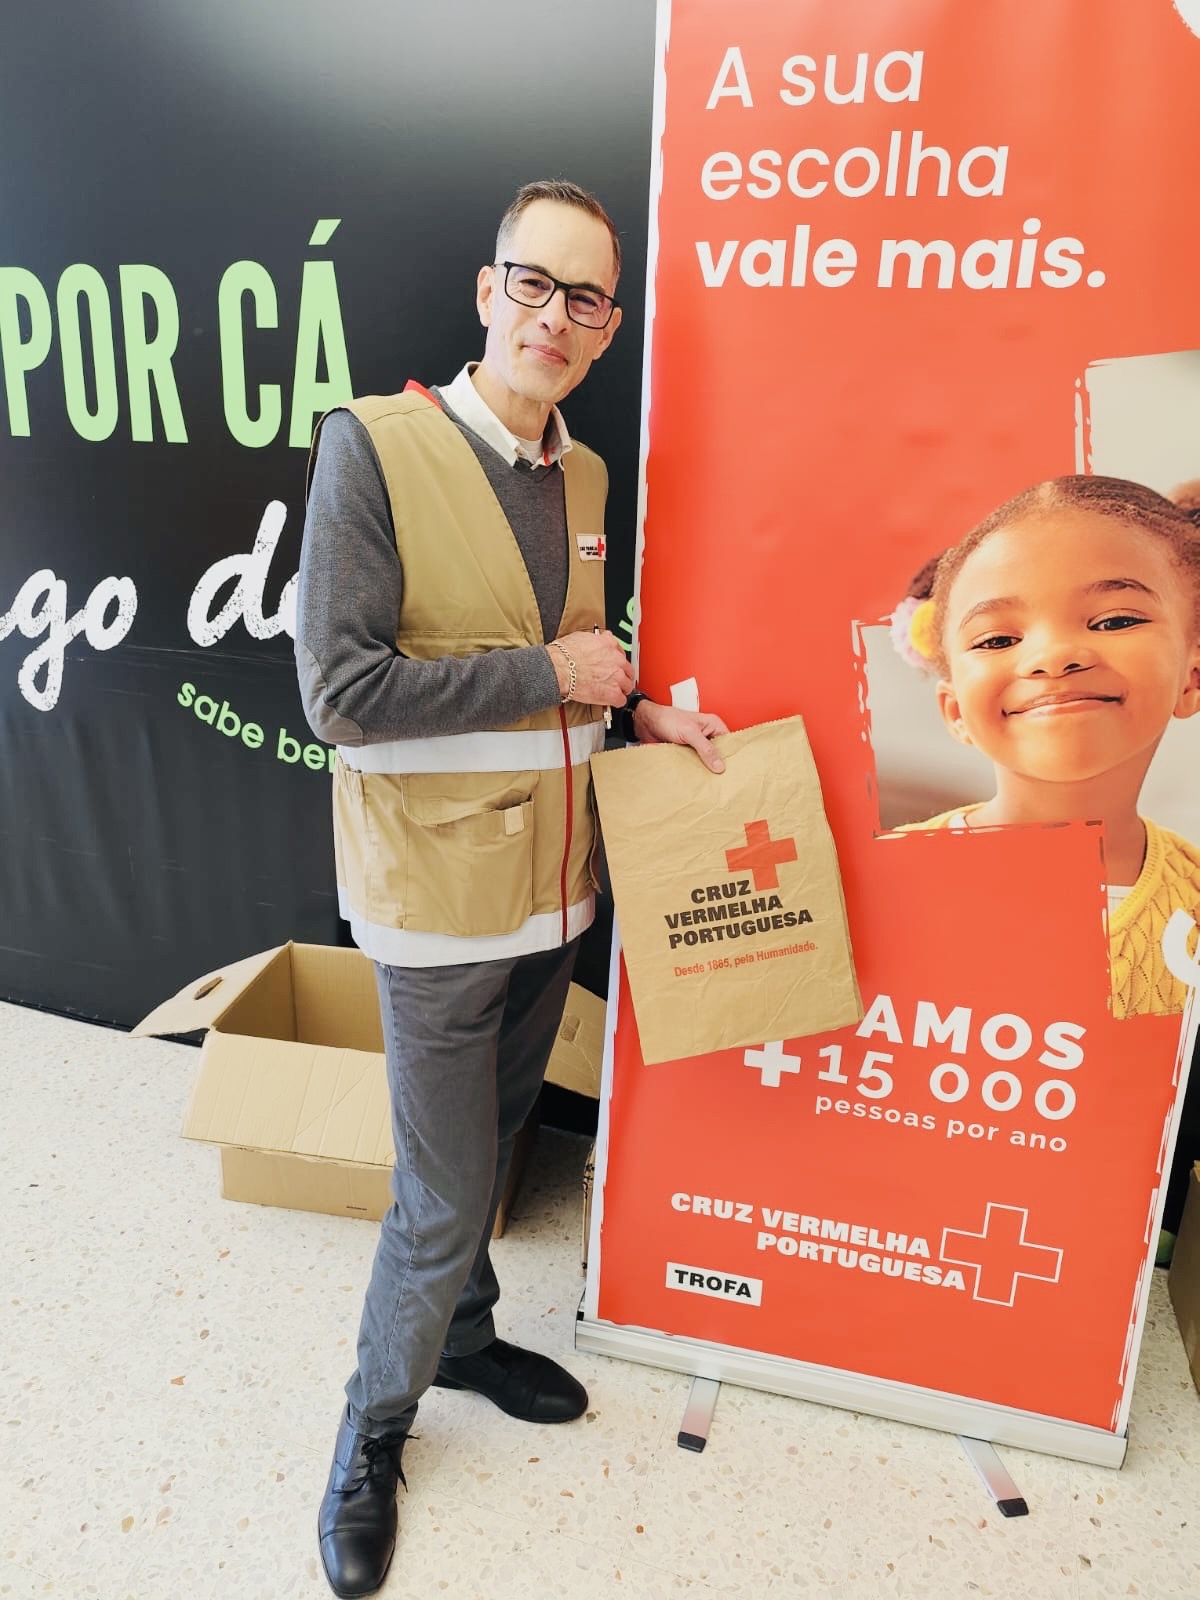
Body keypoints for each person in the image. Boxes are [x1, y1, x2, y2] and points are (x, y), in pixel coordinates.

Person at [295, 178, 727, 1599]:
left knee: (487, 1150)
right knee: (440, 1197)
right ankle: (371, 1431)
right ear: (489, 293)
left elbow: (581, 665)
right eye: (533, 284)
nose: (555, 315)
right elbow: (340, 695)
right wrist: (552, 673)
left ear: (608, 326)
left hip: (557, 887)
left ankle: (466, 1340)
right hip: (433, 898)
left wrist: (638, 708)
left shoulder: (583, 476)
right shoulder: (373, 445)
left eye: (585, 297)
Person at [893, 474, 1200, 1022]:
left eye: (1115, 621)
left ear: (1192, 678)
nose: (1053, 656)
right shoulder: (873, 886)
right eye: (997, 639)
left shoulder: (1192, 897)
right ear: (956, 712)